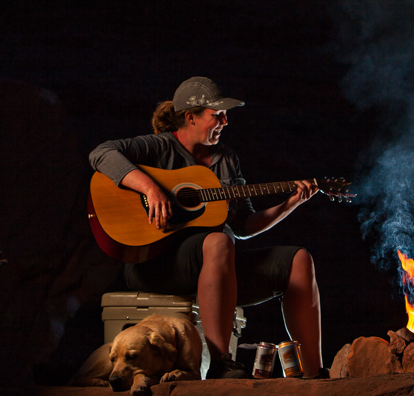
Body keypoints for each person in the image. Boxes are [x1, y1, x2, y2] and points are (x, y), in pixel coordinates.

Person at [89, 76, 327, 379]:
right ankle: (220, 362)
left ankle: (314, 373)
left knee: (298, 260)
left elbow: (243, 226)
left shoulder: (227, 159)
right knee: (217, 241)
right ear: (191, 117)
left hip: (217, 269)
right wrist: (150, 188)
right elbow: (101, 153)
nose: (225, 122)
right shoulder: (159, 147)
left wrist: (290, 203)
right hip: (155, 263)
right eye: (218, 115)